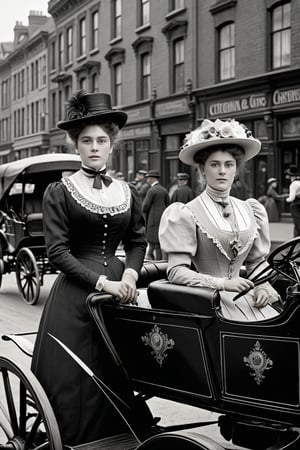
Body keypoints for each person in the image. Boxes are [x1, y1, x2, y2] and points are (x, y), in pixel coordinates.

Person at [31, 91, 149, 446]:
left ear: (111, 145)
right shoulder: (61, 191)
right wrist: (102, 282)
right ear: (76, 146)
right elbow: (57, 253)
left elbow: (137, 242)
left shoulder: (128, 192)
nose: (94, 147)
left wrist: (129, 275)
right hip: (76, 294)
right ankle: (73, 439)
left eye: (101, 140)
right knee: (77, 373)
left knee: (120, 365)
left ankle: (121, 435)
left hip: (119, 287)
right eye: (86, 141)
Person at [159, 118, 281, 321]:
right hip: (210, 303)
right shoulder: (186, 213)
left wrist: (262, 287)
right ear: (202, 169)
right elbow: (176, 272)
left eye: (229, 164)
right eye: (215, 164)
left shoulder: (250, 209)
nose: (222, 171)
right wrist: (222, 284)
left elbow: (256, 263)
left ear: (236, 169)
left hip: (246, 299)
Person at [143, 169, 170, 260]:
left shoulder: (151, 191)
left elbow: (145, 206)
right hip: (162, 219)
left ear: (151, 179)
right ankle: (153, 257)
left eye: (148, 178)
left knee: (153, 241)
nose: (147, 180)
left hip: (152, 220)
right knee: (157, 243)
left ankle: (155, 260)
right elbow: (168, 204)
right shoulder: (164, 190)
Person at [286, 165, 300, 237]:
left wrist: (286, 199)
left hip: (296, 205)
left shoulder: (293, 184)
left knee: (297, 222)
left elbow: (291, 198)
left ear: (292, 176)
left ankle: (296, 239)